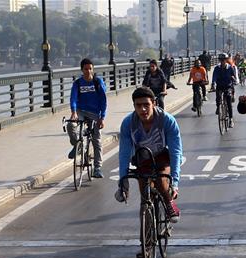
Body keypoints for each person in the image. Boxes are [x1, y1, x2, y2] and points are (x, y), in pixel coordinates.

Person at [115, 86, 183, 230]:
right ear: (134, 106)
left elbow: (176, 151)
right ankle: (145, 243)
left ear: (154, 103)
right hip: (142, 157)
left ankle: (168, 201)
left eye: (146, 104)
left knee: (161, 180)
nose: (143, 109)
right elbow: (124, 153)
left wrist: (175, 182)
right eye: (138, 106)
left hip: (162, 155)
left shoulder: (167, 120)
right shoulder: (128, 123)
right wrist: (123, 183)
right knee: (145, 199)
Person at [67, 57, 107, 178]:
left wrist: (102, 117)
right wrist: (73, 112)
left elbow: (103, 100)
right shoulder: (78, 83)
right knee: (71, 125)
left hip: (95, 113)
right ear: (82, 70)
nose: (88, 71)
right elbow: (73, 98)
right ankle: (77, 145)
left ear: (93, 69)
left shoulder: (98, 82)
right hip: (81, 111)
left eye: (90, 68)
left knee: (97, 140)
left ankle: (97, 168)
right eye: (85, 69)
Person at [211, 53, 237, 127]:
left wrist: (234, 79)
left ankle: (231, 119)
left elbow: (233, 75)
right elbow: (214, 76)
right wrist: (213, 83)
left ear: (226, 60)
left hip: (228, 86)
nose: (222, 61)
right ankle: (218, 107)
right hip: (219, 86)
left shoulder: (229, 68)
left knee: (228, 101)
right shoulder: (217, 68)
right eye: (221, 60)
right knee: (218, 97)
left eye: (224, 60)